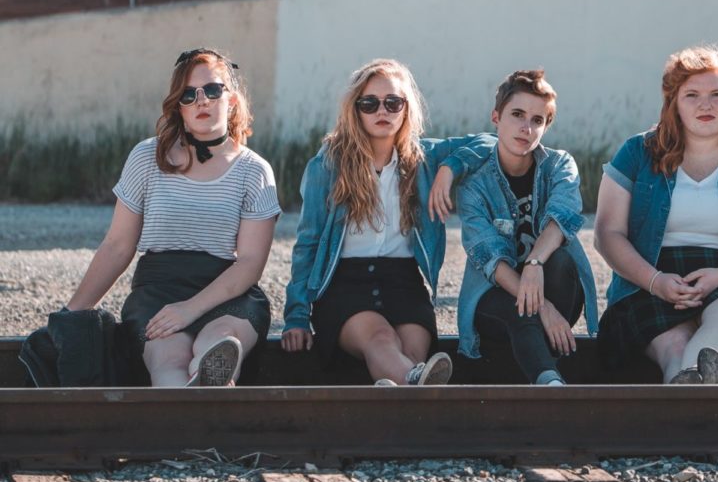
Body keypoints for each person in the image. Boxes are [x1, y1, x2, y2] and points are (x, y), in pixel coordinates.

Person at [64, 47, 280, 387]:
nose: (201, 101)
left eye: (212, 90)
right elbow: (118, 246)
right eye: (188, 95)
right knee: (169, 360)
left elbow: (250, 263)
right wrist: (73, 313)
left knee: (222, 342)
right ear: (178, 105)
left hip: (227, 290)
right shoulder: (147, 157)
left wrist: (191, 308)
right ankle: (186, 411)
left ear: (232, 99)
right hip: (158, 289)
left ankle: (209, 379)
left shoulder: (254, 171)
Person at [282, 59, 494, 386]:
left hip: (404, 282)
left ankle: (399, 390)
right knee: (381, 339)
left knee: (412, 349)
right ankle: (416, 389)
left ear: (406, 109)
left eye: (393, 103)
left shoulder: (424, 158)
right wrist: (296, 315)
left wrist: (448, 168)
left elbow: (489, 143)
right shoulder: (327, 165)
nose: (383, 111)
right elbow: (307, 243)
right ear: (355, 109)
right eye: (370, 103)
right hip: (344, 282)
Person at [594, 45, 718, 384]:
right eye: (692, 95)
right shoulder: (636, 153)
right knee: (674, 344)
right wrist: (656, 282)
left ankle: (688, 385)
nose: (706, 104)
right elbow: (606, 234)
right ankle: (694, 393)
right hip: (649, 279)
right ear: (673, 102)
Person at [455, 70, 598, 385]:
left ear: (546, 127)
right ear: (496, 117)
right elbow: (489, 257)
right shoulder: (474, 187)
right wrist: (542, 305)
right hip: (495, 296)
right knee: (519, 310)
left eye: (537, 120)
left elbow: (563, 216)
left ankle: (540, 371)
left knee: (559, 261)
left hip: (556, 287)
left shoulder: (560, 166)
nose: (526, 127)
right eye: (517, 115)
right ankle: (550, 383)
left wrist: (534, 263)